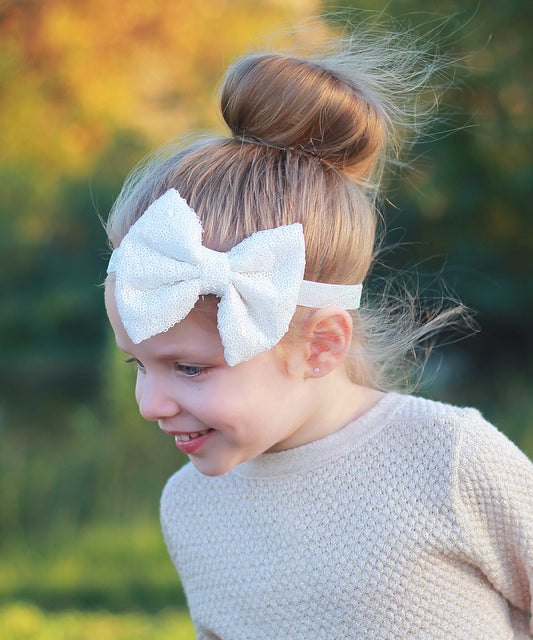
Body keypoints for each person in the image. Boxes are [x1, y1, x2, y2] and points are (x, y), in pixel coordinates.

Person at [104, 21, 533, 640]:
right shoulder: (190, 507)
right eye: (138, 365)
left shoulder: (448, 460)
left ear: (322, 345)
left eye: (190, 367)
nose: (150, 404)